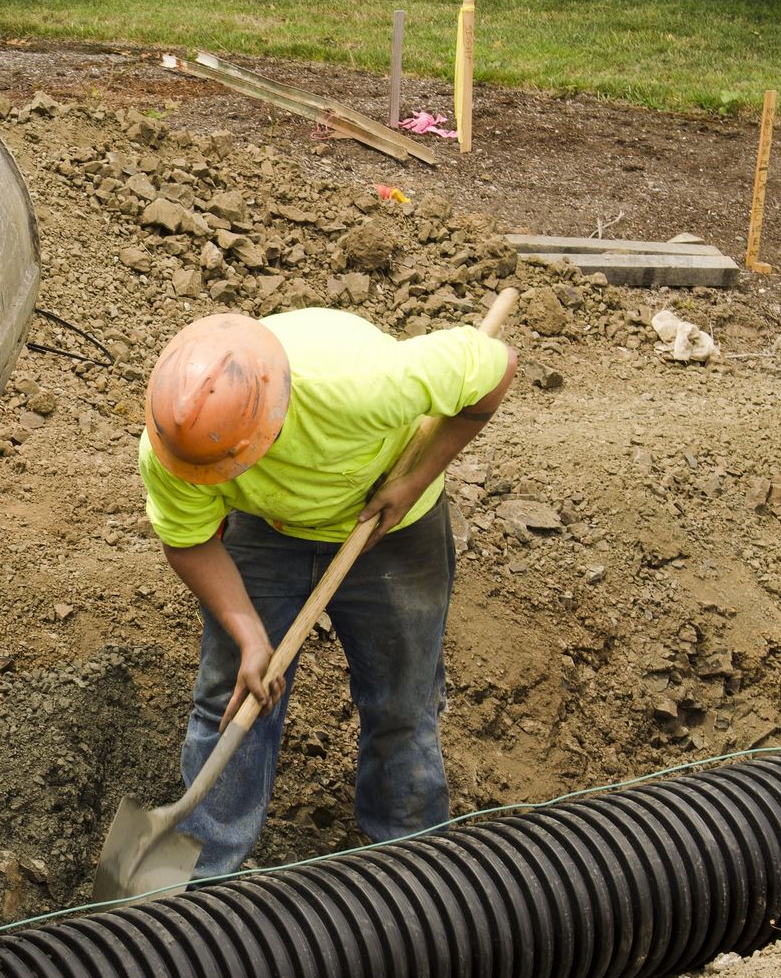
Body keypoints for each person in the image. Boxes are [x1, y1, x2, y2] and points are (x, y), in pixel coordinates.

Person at [138, 308, 516, 876]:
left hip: (392, 526)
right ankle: (203, 877)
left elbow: (497, 369)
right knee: (233, 698)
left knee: (402, 701)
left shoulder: (364, 385)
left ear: (268, 429)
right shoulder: (179, 442)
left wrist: (412, 482)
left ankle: (410, 862)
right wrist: (249, 638)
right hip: (268, 532)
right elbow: (189, 541)